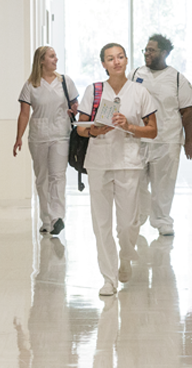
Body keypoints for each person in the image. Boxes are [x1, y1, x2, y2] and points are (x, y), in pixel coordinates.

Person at [76, 43, 157, 296]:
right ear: (103, 64)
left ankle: (126, 254)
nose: (116, 62)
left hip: (128, 163)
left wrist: (130, 126)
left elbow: (152, 130)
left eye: (120, 57)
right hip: (99, 162)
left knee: (127, 224)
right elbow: (79, 127)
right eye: (110, 58)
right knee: (101, 224)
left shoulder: (140, 91)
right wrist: (94, 130)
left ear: (126, 60)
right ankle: (108, 278)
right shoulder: (94, 90)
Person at [128, 34, 192, 236]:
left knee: (163, 185)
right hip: (138, 137)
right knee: (135, 182)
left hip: (167, 139)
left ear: (164, 53)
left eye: (151, 50)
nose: (147, 53)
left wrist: (189, 140)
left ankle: (162, 221)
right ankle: (139, 216)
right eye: (145, 50)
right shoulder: (136, 73)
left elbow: (188, 111)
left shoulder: (177, 78)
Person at [14, 46, 78, 235]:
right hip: (38, 137)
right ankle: (46, 219)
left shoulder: (65, 82)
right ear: (41, 60)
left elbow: (76, 106)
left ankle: (57, 217)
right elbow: (24, 114)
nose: (55, 59)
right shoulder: (30, 85)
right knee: (42, 178)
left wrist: (74, 110)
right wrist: (18, 137)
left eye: (55, 56)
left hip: (60, 135)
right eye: (51, 56)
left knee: (57, 176)